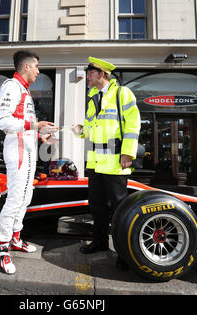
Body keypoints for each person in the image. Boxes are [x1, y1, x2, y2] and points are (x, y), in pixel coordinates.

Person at [71, 57, 141, 269]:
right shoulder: (93, 97)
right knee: (97, 207)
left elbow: (133, 125)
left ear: (101, 73)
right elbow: (94, 128)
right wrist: (82, 130)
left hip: (116, 162)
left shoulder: (122, 93)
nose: (88, 76)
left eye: (90, 72)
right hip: (96, 163)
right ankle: (100, 243)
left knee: (120, 209)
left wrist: (128, 153)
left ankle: (123, 252)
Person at [0, 50, 58, 275]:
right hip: (17, 153)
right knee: (14, 199)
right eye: (37, 67)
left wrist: (42, 136)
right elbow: (2, 121)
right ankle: (2, 249)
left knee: (25, 197)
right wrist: (36, 126)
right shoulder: (11, 85)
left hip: (29, 151)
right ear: (26, 67)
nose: (39, 71)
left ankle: (15, 238)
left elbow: (24, 124)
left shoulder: (25, 91)